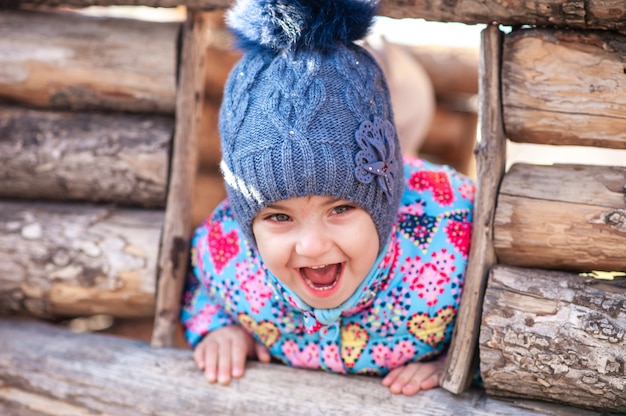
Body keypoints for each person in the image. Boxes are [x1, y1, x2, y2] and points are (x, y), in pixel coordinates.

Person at [181, 0, 475, 396]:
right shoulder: (228, 255)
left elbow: (505, 304)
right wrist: (218, 328)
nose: (313, 246)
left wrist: (460, 361)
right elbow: (201, 284)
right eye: (279, 218)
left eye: (340, 208)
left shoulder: (449, 235)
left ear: (385, 202)